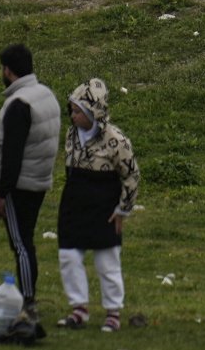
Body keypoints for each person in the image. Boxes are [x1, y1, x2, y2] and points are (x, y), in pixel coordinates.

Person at [54, 80, 141, 335]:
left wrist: (123, 209)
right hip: (74, 204)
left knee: (107, 262)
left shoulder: (116, 140)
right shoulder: (71, 134)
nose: (73, 116)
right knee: (68, 256)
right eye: (71, 110)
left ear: (94, 112)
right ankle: (79, 309)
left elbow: (132, 175)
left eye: (78, 111)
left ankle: (113, 313)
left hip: (104, 208)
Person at [0, 43, 59, 336]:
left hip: (20, 184)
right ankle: (28, 295)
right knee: (27, 240)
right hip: (40, 179)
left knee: (20, 244)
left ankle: (28, 300)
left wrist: (2, 192)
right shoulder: (46, 94)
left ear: (8, 71)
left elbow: (12, 153)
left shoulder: (18, 104)